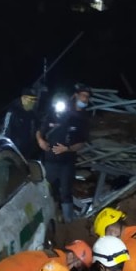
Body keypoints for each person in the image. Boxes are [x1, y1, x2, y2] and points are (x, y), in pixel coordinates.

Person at [36, 83, 91, 223]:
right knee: (46, 192)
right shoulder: (56, 113)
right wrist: (40, 141)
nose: (84, 99)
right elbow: (40, 130)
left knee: (65, 192)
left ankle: (68, 222)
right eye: (82, 95)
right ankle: (46, 220)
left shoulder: (82, 119)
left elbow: (81, 142)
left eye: (87, 97)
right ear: (75, 96)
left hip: (67, 162)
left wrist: (67, 149)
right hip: (49, 161)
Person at [2, 88, 41, 160]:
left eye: (34, 100)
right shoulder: (13, 112)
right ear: (23, 98)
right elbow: (5, 132)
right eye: (31, 99)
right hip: (14, 151)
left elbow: (38, 127)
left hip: (27, 152)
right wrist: (7, 150)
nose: (33, 102)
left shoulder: (32, 114)